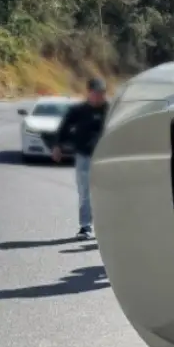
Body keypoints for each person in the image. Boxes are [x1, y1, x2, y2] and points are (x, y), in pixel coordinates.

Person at [52, 78, 109, 241]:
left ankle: (107, 227)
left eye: (102, 93)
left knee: (106, 193)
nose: (99, 96)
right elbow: (63, 128)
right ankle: (85, 226)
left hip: (106, 157)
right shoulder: (78, 110)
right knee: (85, 192)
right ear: (89, 93)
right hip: (84, 156)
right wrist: (58, 146)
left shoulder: (111, 110)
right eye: (96, 93)